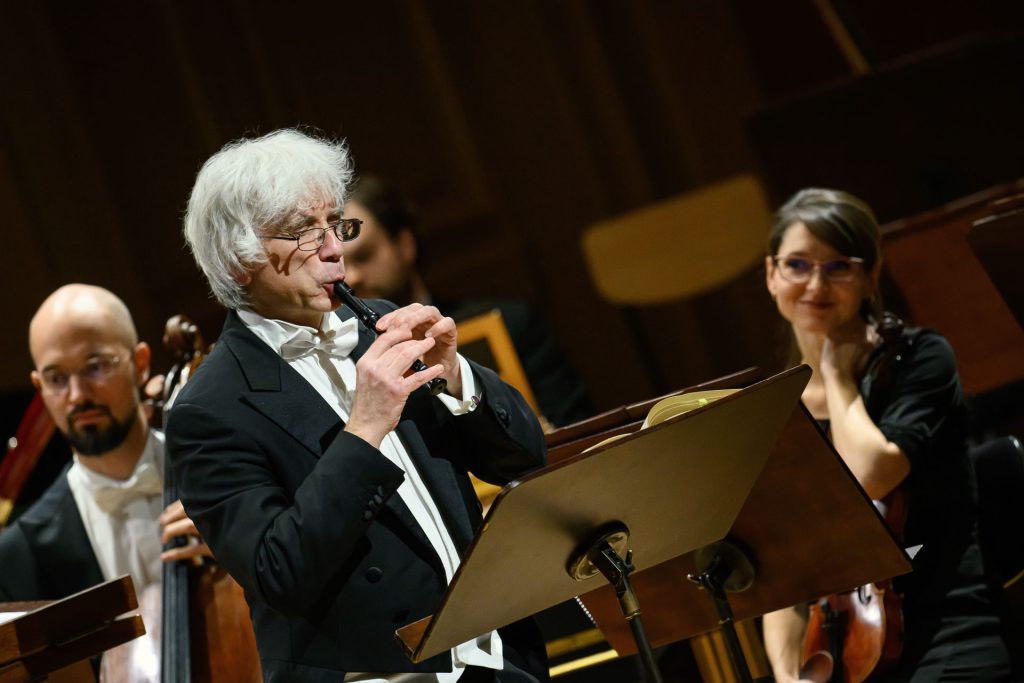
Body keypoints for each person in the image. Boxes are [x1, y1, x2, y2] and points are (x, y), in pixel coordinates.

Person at [168, 128, 549, 683]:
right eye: (304, 231)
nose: (333, 249)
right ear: (237, 260)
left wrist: (457, 376)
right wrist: (365, 426)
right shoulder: (208, 410)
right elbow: (280, 572)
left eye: (335, 225)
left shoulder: (378, 323)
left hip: (498, 658)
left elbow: (525, 460)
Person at [761, 189, 1011, 681]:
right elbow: (784, 584)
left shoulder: (920, 359)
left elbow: (870, 478)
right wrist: (790, 677)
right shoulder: (774, 414)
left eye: (838, 267)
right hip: (842, 650)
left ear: (871, 276)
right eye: (797, 265)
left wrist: (836, 375)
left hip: (948, 634)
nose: (815, 284)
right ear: (771, 275)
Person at [0, 284, 209, 602]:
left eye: (96, 367)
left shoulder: (226, 473)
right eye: (56, 379)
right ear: (39, 386)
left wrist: (241, 548)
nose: (78, 395)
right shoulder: (19, 558)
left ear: (140, 364)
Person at [342, 175, 593, 428]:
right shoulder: (344, 366)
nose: (351, 278)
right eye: (339, 266)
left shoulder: (510, 323)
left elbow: (576, 429)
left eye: (363, 256)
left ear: (405, 244)